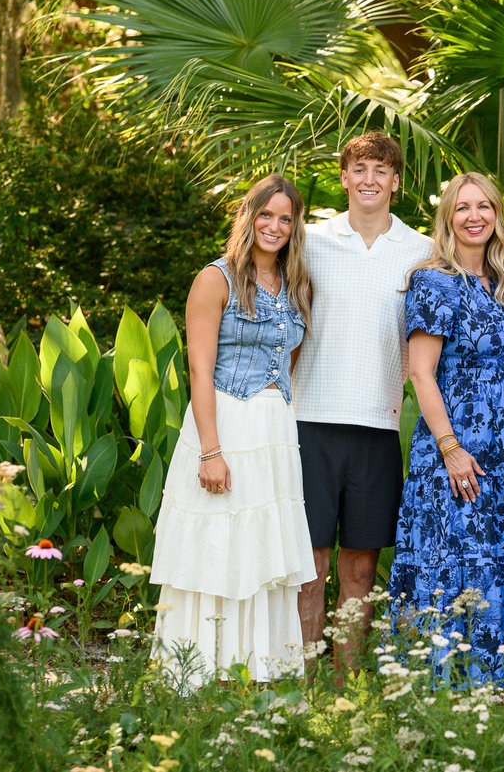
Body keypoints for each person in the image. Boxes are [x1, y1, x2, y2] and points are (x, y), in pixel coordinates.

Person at [150, 173, 316, 687]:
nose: (275, 226)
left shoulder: (297, 284)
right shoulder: (215, 278)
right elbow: (199, 369)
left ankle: (258, 673)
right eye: (266, 215)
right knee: (218, 547)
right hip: (224, 425)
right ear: (248, 216)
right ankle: (201, 675)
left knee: (262, 550)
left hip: (274, 432)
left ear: (295, 225)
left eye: (285, 218)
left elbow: (287, 360)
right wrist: (210, 451)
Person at [388, 172, 504, 685]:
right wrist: (451, 448)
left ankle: (497, 683)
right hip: (452, 448)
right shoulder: (432, 282)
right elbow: (420, 371)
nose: (475, 216)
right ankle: (442, 683)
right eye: (463, 207)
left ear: (499, 216)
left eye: (485, 207)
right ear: (448, 217)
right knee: (450, 557)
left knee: (495, 560)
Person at [290, 131, 432, 671]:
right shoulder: (308, 241)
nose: (369, 179)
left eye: (381, 170)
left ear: (396, 182)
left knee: (360, 567)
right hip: (309, 421)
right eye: (360, 169)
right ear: (344, 178)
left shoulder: (421, 251)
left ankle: (349, 683)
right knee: (310, 563)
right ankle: (301, 676)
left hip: (378, 426)